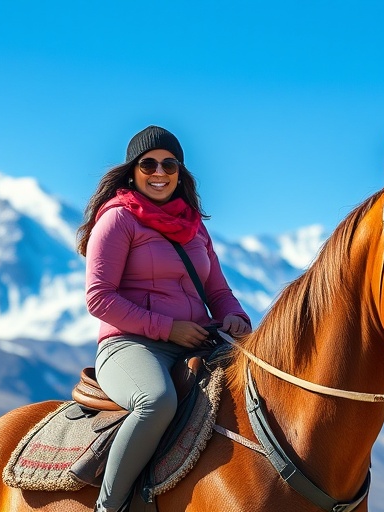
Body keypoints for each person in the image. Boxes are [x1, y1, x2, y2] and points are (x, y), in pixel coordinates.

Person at [76, 125, 252, 512]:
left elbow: (218, 292)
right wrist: (169, 328)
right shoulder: (117, 219)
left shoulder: (194, 226)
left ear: (180, 172)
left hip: (200, 339)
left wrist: (235, 317)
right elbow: (99, 298)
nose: (159, 172)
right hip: (131, 345)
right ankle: (110, 506)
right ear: (133, 171)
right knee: (155, 401)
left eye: (169, 164)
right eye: (149, 164)